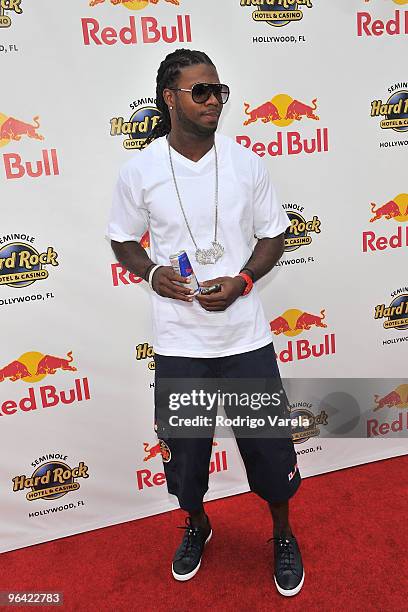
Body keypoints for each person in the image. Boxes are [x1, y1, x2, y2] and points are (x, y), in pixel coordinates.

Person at [106, 48, 304, 597]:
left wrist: (242, 281)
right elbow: (122, 239)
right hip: (180, 342)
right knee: (185, 456)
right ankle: (196, 524)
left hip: (245, 340)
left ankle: (283, 534)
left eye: (219, 90)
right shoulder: (139, 170)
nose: (215, 99)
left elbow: (274, 234)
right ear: (169, 98)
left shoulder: (246, 162)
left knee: (269, 450)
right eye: (201, 91)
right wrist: (151, 274)